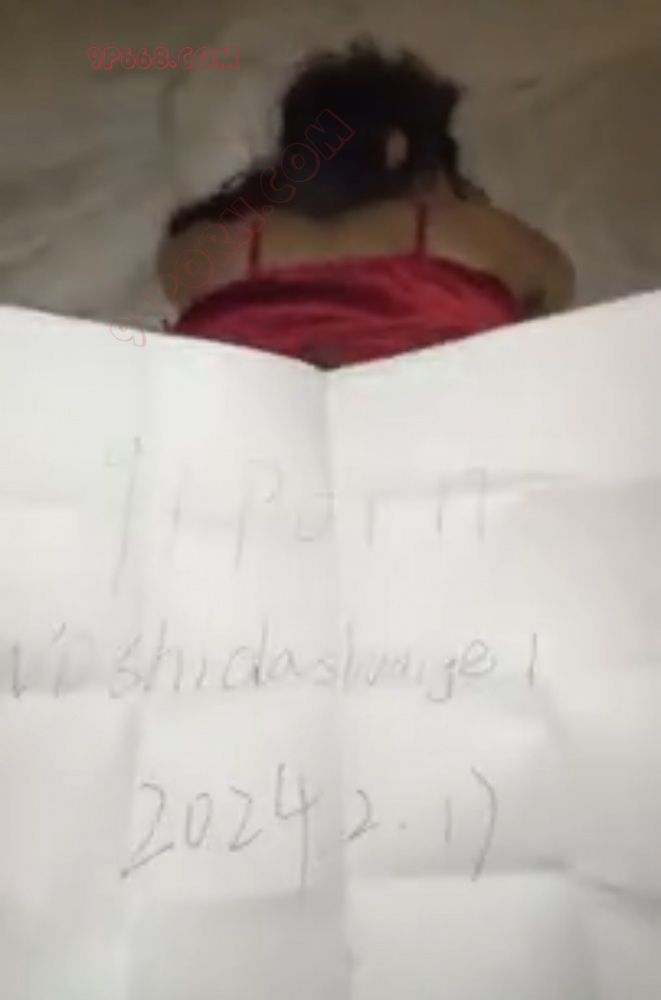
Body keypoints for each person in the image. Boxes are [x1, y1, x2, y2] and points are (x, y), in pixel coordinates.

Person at [160, 42, 575, 368]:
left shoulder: (215, 250)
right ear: (398, 149)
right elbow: (559, 287)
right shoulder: (469, 235)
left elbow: (172, 277)